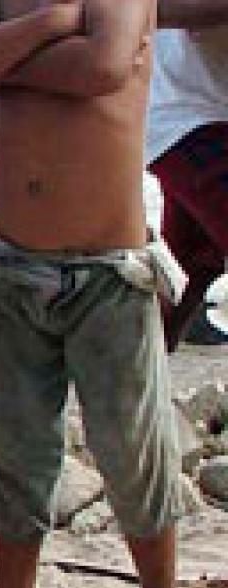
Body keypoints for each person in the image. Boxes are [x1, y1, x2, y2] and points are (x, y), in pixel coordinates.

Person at [0, 0, 224, 588]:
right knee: (12, 445)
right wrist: (48, 24)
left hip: (108, 274)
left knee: (135, 447)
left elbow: (102, 66)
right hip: (6, 267)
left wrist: (0, 59)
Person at [147, 1, 228, 350]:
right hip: (187, 119)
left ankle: (129, 382)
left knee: (190, 263)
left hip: (203, 113)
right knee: (189, 264)